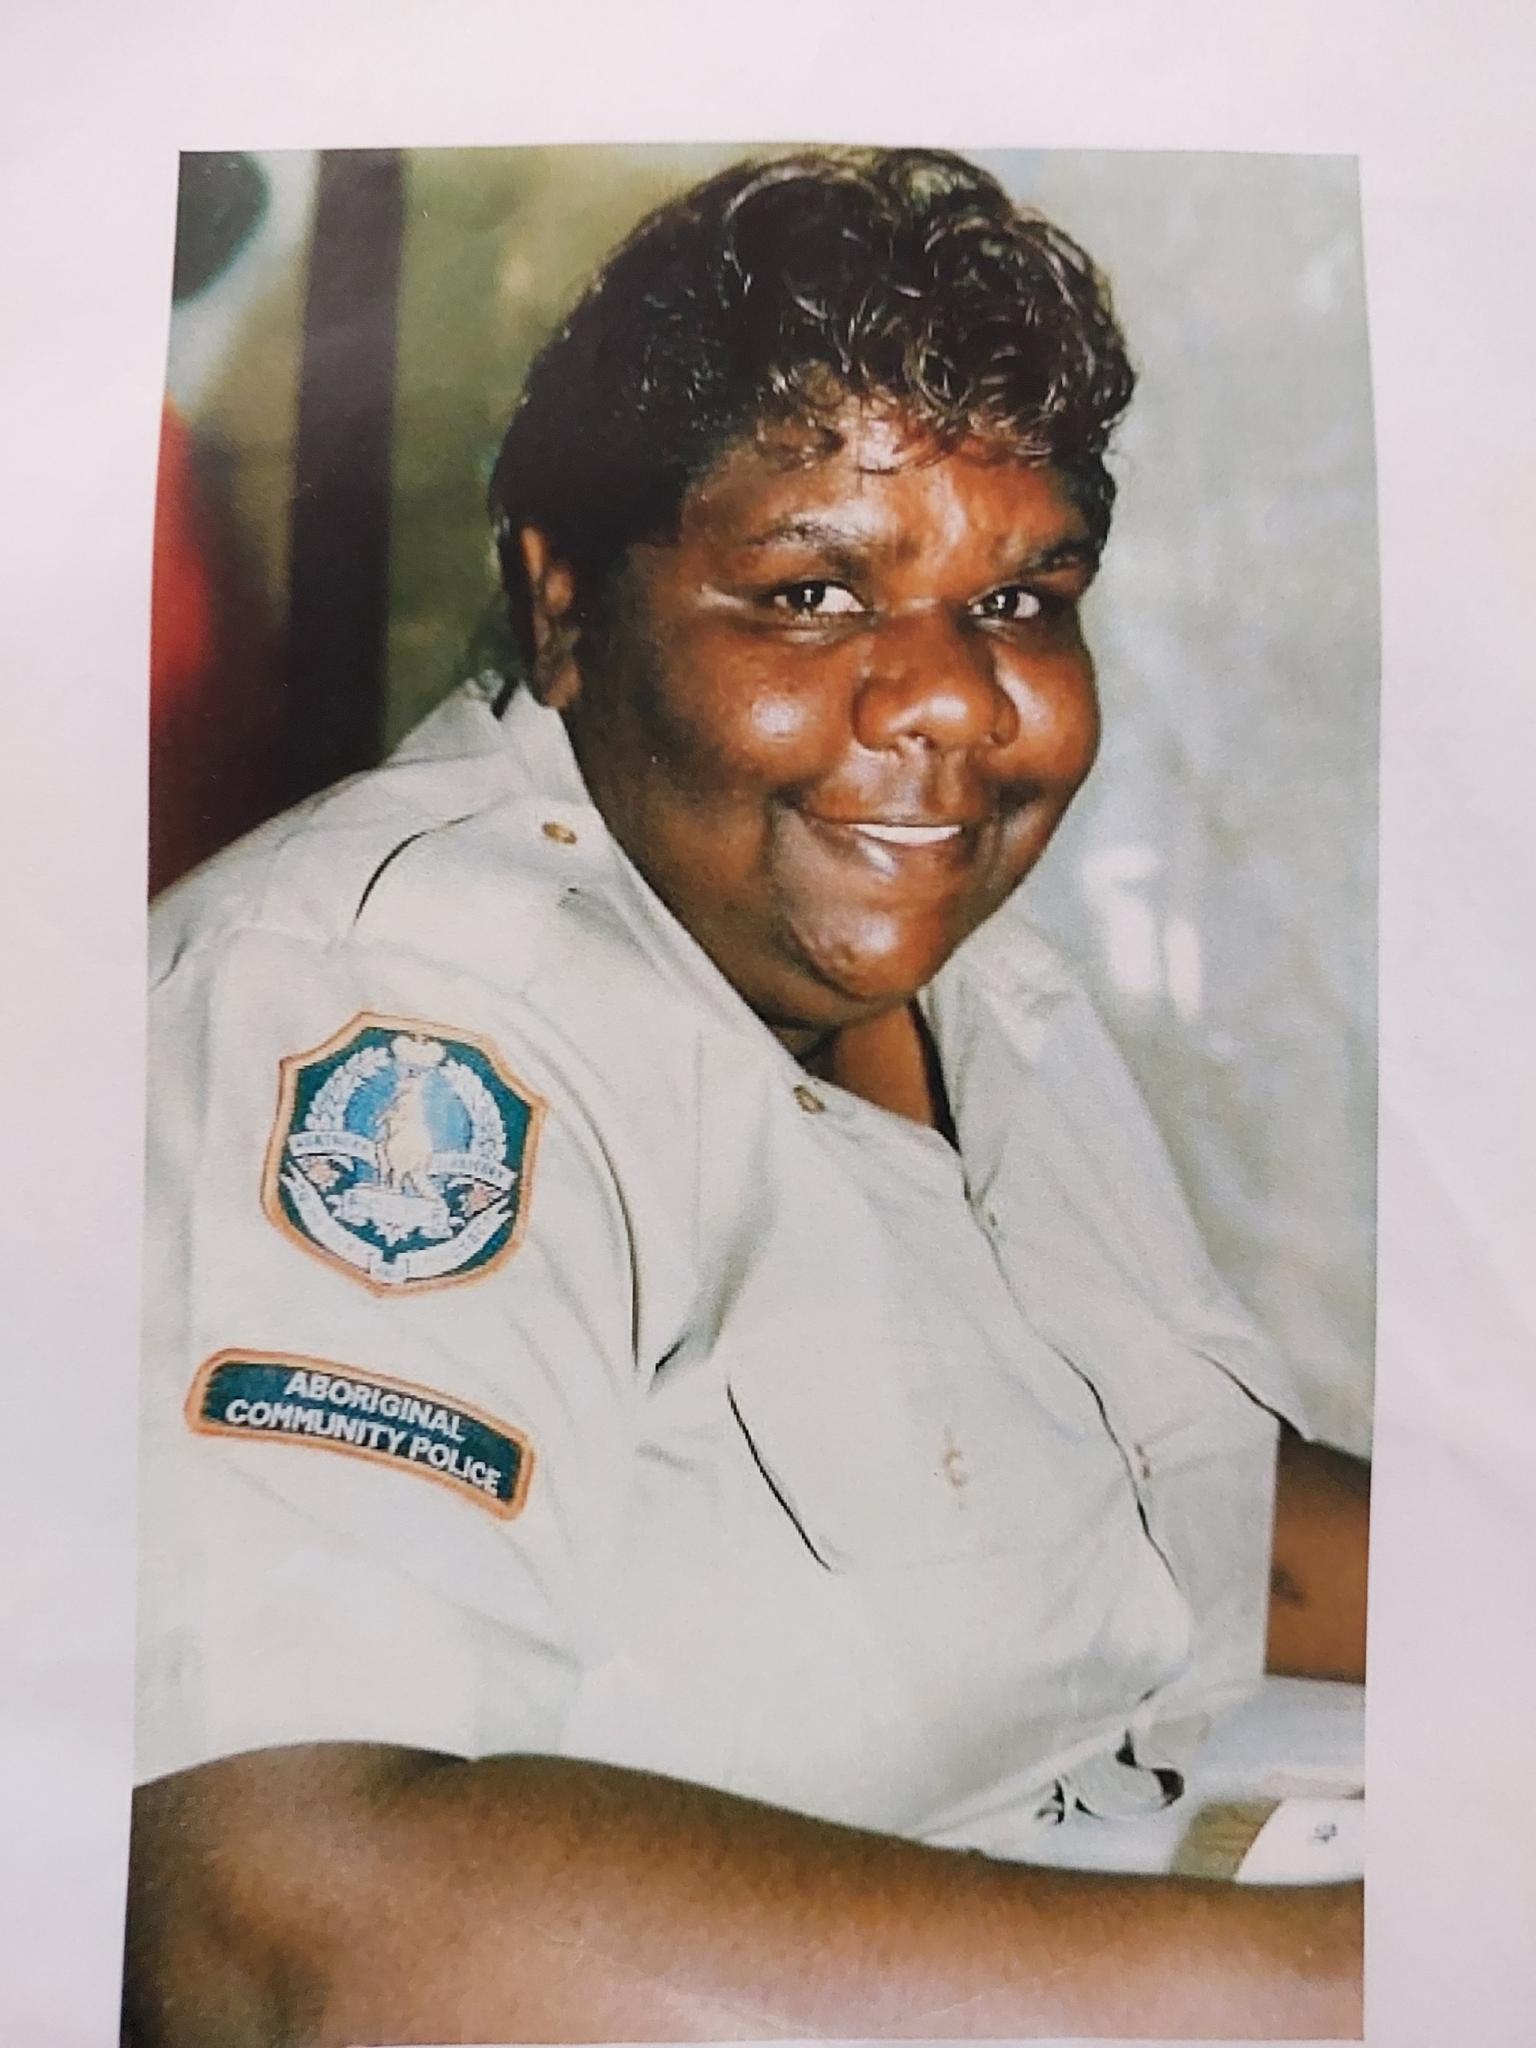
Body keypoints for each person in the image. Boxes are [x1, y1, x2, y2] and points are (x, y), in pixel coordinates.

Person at [125, 147, 1370, 2043]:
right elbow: (288, 1921)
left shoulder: (970, 981)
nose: (951, 702)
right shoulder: (391, 1015)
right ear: (560, 603)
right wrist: (1378, 1984)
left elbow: (1202, 1518)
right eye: (811, 593)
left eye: (1024, 598)